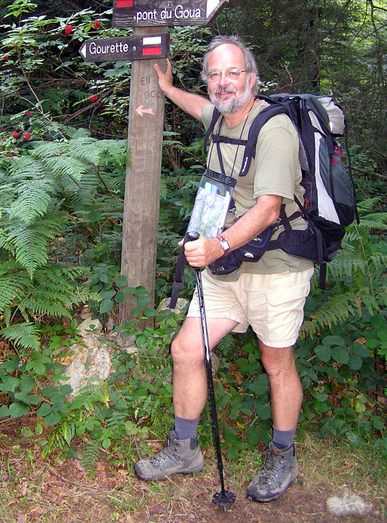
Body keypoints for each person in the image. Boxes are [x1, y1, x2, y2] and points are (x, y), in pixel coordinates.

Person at [134, 36, 315, 503]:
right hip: (227, 262)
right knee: (186, 350)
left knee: (276, 362)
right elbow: (200, 108)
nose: (222, 82)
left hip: (276, 265)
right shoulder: (220, 117)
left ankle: (283, 454)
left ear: (251, 79)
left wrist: (215, 245)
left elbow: (269, 208)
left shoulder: (273, 129)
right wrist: (169, 88)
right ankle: (185, 449)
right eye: (214, 74)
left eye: (232, 73)